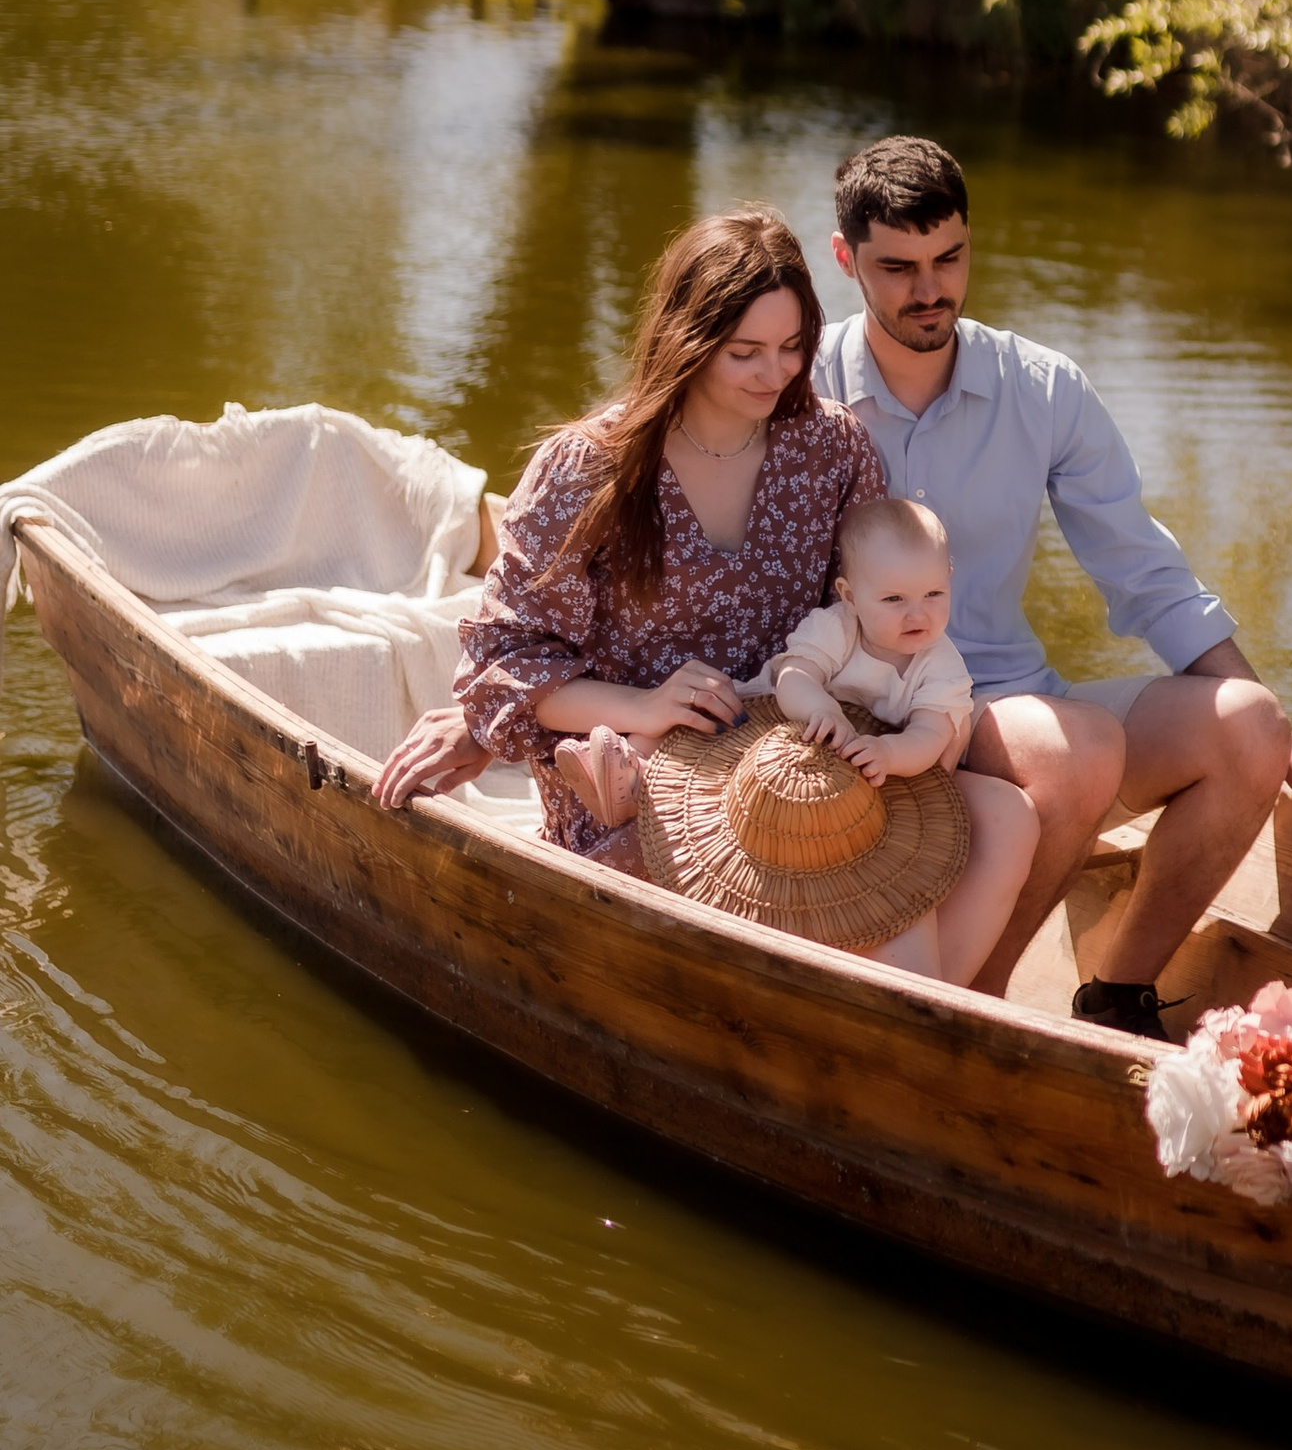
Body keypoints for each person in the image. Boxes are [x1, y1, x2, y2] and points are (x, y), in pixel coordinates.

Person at [812, 134, 1292, 1037]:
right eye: (898, 268)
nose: (930, 289)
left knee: (1250, 729)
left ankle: (1113, 998)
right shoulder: (796, 383)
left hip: (1002, 709)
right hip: (854, 710)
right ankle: (977, 1007)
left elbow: (1146, 573)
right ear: (846, 259)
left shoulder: (1041, 389)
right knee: (1075, 748)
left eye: (949, 258)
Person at [371, 209, 1036, 985]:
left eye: (793, 348)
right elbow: (499, 669)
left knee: (1003, 817)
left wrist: (918, 720)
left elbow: (869, 619)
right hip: (644, 774)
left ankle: (903, 1047)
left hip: (800, 747)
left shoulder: (831, 447)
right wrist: (642, 705)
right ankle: (895, 1050)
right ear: (685, 339)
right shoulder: (589, 469)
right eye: (744, 352)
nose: (775, 374)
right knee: (884, 908)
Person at [767, 493, 976, 785]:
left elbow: (929, 736)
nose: (917, 615)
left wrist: (888, 752)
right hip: (806, 751)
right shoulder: (838, 628)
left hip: (889, 769)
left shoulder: (941, 665)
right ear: (850, 597)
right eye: (894, 599)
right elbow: (793, 676)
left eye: (933, 594)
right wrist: (822, 709)